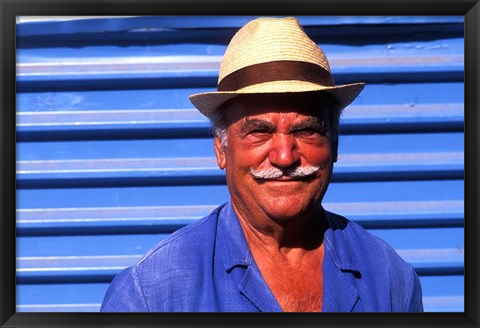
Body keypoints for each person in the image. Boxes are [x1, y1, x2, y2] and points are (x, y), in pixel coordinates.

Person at [101, 17, 423, 312]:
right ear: (221, 148)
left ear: (335, 143)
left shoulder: (390, 280)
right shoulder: (153, 295)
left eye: (306, 130)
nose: (285, 157)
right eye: (259, 131)